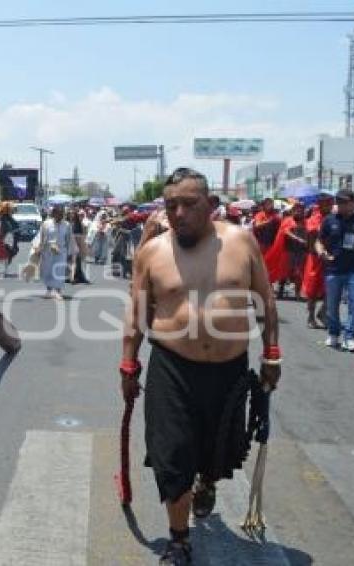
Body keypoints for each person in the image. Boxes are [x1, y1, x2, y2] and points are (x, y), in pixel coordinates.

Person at [122, 168, 280, 565]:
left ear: (211, 205)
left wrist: (272, 355)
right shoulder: (151, 253)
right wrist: (128, 365)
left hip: (229, 371)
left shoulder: (242, 243)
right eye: (171, 205)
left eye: (189, 204)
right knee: (172, 453)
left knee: (214, 451)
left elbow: (266, 302)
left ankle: (206, 480)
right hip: (172, 369)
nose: (179, 213)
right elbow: (136, 314)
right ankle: (179, 539)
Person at [316, 188, 354, 352]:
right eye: (339, 201)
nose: (341, 204)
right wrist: (321, 252)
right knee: (332, 305)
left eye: (344, 201)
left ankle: (350, 338)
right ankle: (333, 334)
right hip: (333, 269)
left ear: (353, 203)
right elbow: (319, 241)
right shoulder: (329, 220)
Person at [26, 204, 77, 300]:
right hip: (47, 251)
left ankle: (58, 291)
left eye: (62, 214)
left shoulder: (67, 225)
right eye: (58, 214)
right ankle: (49, 290)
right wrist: (37, 248)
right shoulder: (46, 224)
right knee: (47, 271)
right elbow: (40, 237)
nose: (60, 216)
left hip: (61, 251)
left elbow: (70, 239)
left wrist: (71, 254)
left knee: (59, 270)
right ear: (54, 214)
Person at [263, 202, 307, 299]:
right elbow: (285, 231)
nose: (299, 211)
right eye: (297, 209)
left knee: (299, 273)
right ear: (293, 211)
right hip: (288, 250)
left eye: (301, 209)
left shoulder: (305, 222)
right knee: (284, 273)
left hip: (301, 251)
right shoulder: (288, 220)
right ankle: (280, 291)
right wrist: (297, 239)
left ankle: (297, 294)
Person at [302, 195, 333, 328]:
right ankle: (310, 317)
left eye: (331, 203)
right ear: (320, 204)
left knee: (331, 288)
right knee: (312, 290)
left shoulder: (333, 218)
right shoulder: (314, 219)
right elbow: (312, 236)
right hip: (315, 258)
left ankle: (322, 312)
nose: (330, 206)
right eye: (327, 203)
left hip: (330, 257)